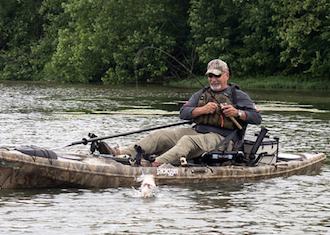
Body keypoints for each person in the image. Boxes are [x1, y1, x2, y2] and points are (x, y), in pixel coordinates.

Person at [99, 59, 262, 166]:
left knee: (187, 141)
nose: (213, 79)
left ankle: (154, 164)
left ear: (226, 75)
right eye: (210, 76)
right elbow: (184, 113)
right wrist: (201, 110)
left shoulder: (238, 95)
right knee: (160, 136)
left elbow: (256, 117)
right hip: (198, 132)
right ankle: (118, 153)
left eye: (217, 76)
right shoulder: (202, 93)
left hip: (223, 139)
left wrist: (237, 113)